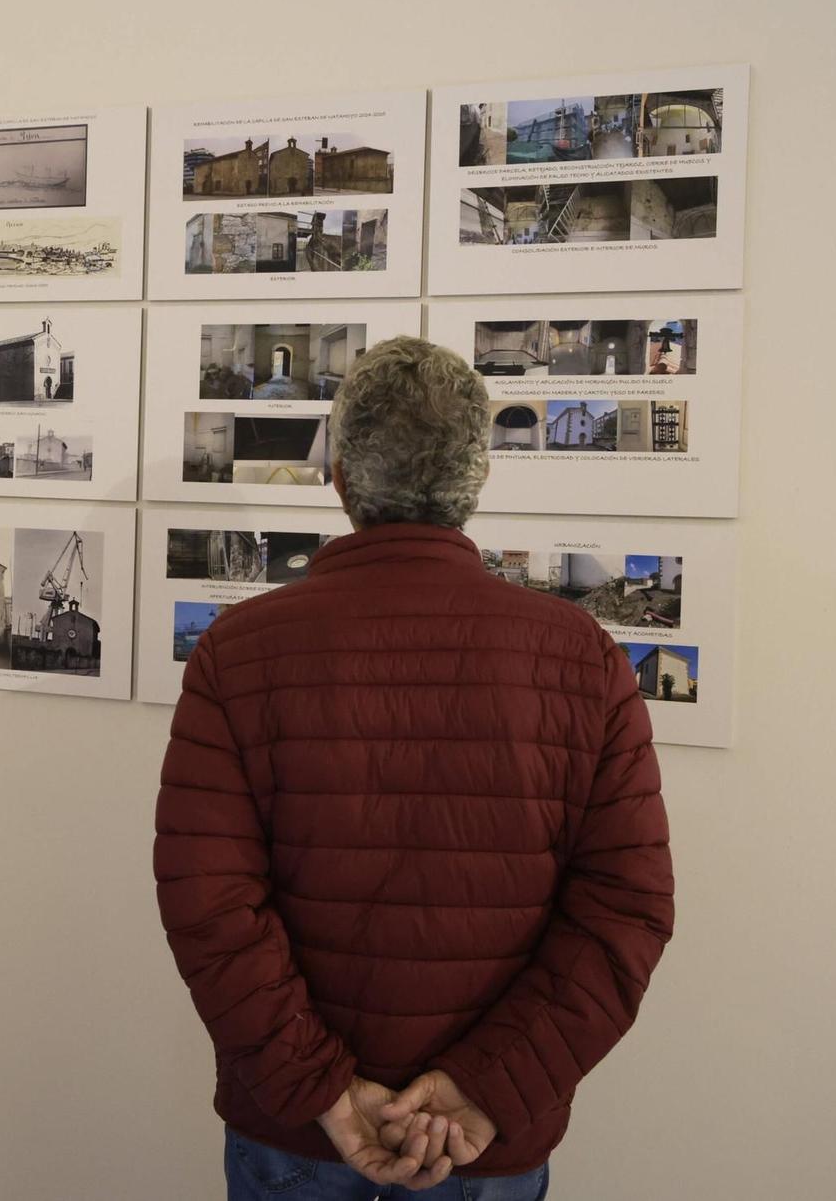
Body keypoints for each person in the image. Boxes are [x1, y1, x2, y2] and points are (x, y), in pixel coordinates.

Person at [155, 336, 673, 1201]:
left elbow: (208, 904)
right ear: (474, 483)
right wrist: (484, 1085)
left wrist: (322, 1087)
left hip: (296, 1131)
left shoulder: (238, 652)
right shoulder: (581, 657)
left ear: (343, 478)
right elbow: (627, 911)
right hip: (482, 1142)